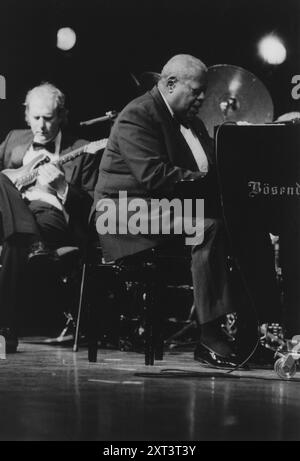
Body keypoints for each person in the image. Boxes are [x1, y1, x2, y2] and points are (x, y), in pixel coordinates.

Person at [94, 54, 240, 369]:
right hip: (119, 211)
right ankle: (210, 334)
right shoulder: (139, 114)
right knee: (207, 225)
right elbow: (153, 176)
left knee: (237, 225)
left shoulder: (195, 124)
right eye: (196, 90)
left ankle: (255, 332)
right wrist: (206, 184)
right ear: (170, 83)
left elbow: (213, 171)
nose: (203, 97)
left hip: (163, 208)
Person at [0, 82, 101, 352]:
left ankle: (4, 328)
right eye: (36, 118)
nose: (41, 126)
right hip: (11, 213)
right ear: (26, 116)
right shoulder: (13, 140)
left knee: (13, 241)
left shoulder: (82, 149)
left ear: (62, 116)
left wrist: (63, 187)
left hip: (50, 217)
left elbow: (94, 207)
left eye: (48, 118)